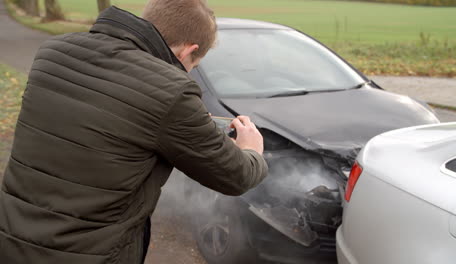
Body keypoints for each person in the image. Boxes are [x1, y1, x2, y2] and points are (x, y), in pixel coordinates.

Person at [0, 0, 268, 263]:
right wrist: (251, 150)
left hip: (12, 238)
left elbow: (100, 116)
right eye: (193, 66)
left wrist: (184, 123)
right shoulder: (172, 91)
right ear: (189, 51)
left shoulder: (53, 52)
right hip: (89, 253)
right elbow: (236, 177)